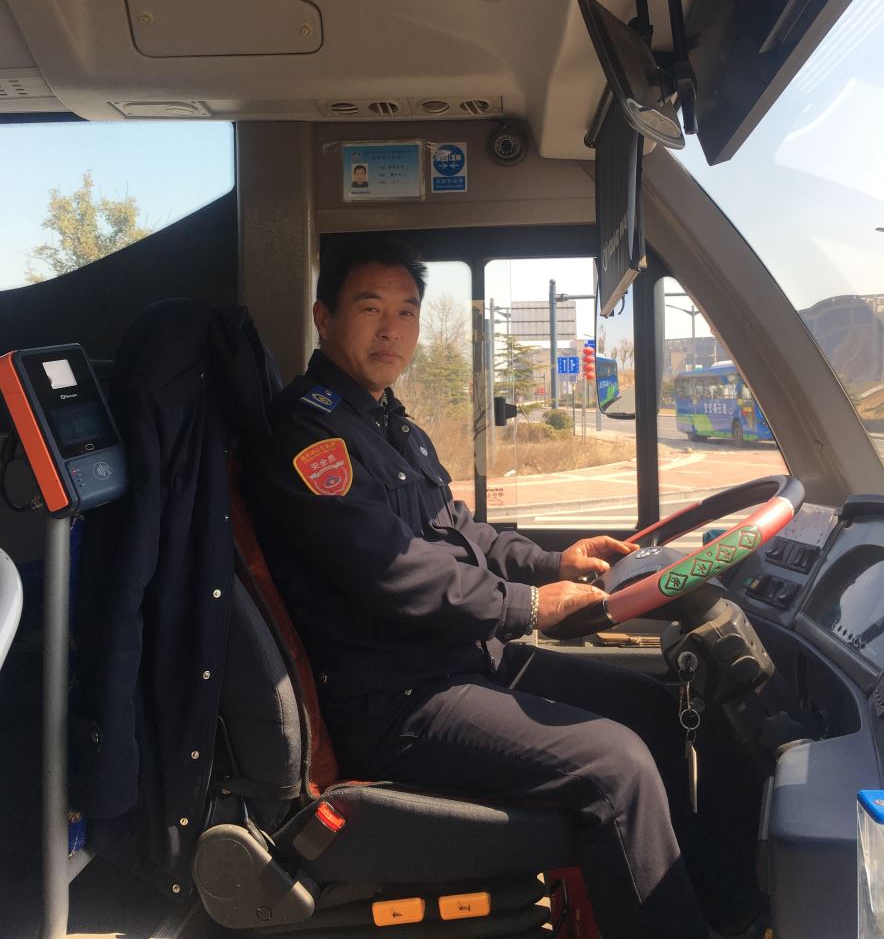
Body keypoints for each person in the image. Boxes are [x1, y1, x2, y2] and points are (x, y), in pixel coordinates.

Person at [243, 236, 757, 939]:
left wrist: (554, 563)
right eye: (370, 308)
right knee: (616, 766)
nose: (392, 329)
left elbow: (461, 531)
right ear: (323, 317)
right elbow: (394, 571)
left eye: (407, 311)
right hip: (397, 699)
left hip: (463, 661)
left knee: (655, 713)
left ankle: (720, 913)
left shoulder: (393, 426)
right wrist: (532, 607)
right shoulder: (308, 436)